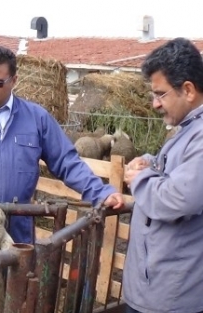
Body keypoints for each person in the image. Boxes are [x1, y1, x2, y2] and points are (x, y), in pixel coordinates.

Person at [0, 45, 123, 245]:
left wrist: (100, 192)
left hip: (16, 231)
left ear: (13, 80)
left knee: (14, 279)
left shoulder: (36, 118)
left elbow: (67, 162)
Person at [122, 38, 203, 313]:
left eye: (160, 94)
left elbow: (180, 198)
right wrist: (149, 162)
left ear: (188, 90)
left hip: (173, 297)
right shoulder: (190, 129)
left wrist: (139, 179)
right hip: (157, 289)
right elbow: (177, 169)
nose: (155, 104)